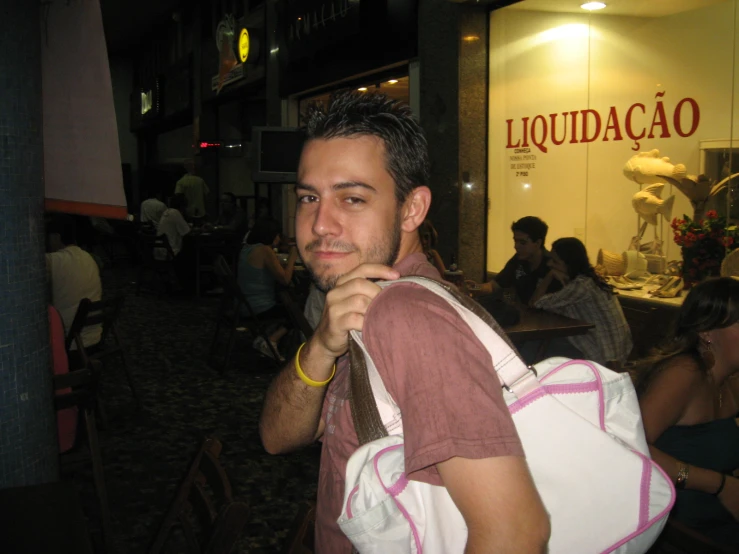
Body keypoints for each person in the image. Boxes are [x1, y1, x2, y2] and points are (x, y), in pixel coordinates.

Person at [259, 90, 550, 553]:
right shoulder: (365, 304)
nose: (319, 224)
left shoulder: (406, 316)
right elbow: (278, 438)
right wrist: (320, 346)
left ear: (412, 209)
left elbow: (515, 534)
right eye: (309, 197)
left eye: (352, 199)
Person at [635, 278, 739, 547]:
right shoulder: (683, 373)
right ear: (707, 331)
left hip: (718, 515)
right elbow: (633, 448)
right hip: (677, 527)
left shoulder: (730, 378)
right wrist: (717, 484)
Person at [529, 237, 633, 366]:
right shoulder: (588, 279)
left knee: (535, 348)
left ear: (569, 264)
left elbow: (535, 303)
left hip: (604, 356)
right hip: (612, 350)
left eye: (555, 262)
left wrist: (549, 276)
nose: (549, 264)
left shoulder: (582, 286)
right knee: (543, 345)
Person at [238, 219, 298, 360]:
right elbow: (285, 280)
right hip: (258, 308)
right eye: (276, 235)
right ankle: (271, 340)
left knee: (287, 302)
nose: (278, 238)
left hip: (244, 304)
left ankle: (264, 338)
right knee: (296, 311)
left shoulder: (247, 248)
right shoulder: (265, 250)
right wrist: (292, 258)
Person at [46, 214, 102, 347]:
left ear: (56, 237)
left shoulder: (52, 261)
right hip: (95, 335)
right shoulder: (89, 257)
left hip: (71, 341)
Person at [479, 216, 562, 305]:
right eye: (515, 241)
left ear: (538, 243)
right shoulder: (518, 260)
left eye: (522, 242)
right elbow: (493, 286)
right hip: (523, 315)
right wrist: (473, 287)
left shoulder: (552, 265)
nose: (516, 246)